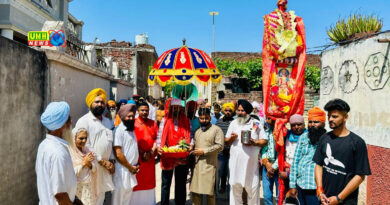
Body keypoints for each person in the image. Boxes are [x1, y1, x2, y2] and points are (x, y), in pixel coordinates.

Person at [313, 99, 371, 205]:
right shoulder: (324, 138)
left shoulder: (357, 143)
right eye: (329, 116)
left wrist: (339, 198)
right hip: (324, 199)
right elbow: (318, 165)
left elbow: (360, 176)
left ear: (345, 117)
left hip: (346, 201)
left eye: (334, 116)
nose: (330, 119)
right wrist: (320, 191)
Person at [75, 88, 115, 205]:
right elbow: (85, 146)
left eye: (102, 102)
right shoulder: (84, 121)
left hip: (106, 168)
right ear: (90, 104)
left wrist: (111, 162)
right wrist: (102, 161)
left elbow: (110, 143)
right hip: (91, 167)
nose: (99, 104)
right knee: (90, 199)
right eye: (96, 102)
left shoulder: (108, 122)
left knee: (101, 197)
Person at [36, 101, 80, 205]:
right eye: (69, 120)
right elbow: (60, 195)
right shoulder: (58, 153)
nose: (71, 123)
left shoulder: (45, 144)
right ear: (61, 126)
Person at [226, 99, 268, 205]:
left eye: (242, 111)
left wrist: (255, 142)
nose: (240, 113)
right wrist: (231, 138)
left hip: (251, 164)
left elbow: (264, 141)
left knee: (252, 187)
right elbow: (226, 141)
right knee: (235, 185)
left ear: (248, 112)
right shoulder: (233, 123)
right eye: (238, 110)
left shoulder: (256, 124)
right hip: (235, 163)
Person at [288, 107, 327, 204]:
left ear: (323, 123)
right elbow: (295, 161)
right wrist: (292, 185)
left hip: (316, 187)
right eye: (310, 122)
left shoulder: (327, 140)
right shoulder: (303, 137)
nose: (312, 125)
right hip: (300, 185)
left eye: (316, 122)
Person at [157, 98, 191, 205]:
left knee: (180, 183)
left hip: (181, 154)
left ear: (181, 108)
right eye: (174, 107)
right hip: (167, 154)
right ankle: (164, 203)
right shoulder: (165, 120)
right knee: (166, 183)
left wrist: (190, 145)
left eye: (178, 107)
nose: (176, 109)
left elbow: (190, 134)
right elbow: (160, 135)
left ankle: (180, 203)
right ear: (170, 108)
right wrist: (159, 146)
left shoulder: (186, 120)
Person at [190, 108, 224, 205]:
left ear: (210, 117)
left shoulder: (217, 130)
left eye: (206, 118)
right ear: (198, 119)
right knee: (196, 193)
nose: (204, 120)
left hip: (210, 166)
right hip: (197, 167)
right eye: (201, 118)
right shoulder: (197, 131)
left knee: (210, 194)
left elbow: (220, 146)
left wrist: (204, 151)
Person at [111, 104, 140, 205]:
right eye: (129, 116)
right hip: (122, 171)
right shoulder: (118, 130)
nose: (131, 118)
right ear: (123, 117)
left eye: (133, 116)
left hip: (130, 171)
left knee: (126, 201)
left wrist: (136, 165)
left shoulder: (131, 130)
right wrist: (130, 167)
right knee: (118, 201)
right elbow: (118, 154)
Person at [131, 102, 158, 205]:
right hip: (138, 158)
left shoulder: (153, 123)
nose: (144, 112)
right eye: (142, 110)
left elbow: (156, 139)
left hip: (150, 158)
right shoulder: (133, 123)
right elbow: (131, 139)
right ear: (138, 111)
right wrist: (141, 152)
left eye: (146, 110)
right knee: (137, 182)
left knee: (149, 182)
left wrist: (151, 151)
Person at [69, 128, 98, 205]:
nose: (84, 141)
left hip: (88, 188)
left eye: (85, 138)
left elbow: (95, 170)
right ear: (73, 138)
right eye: (81, 138)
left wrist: (90, 164)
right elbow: (69, 174)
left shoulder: (87, 151)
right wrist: (84, 163)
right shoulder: (70, 153)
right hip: (76, 190)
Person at [278, 114, 307, 190]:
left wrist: (289, 173)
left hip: (300, 176)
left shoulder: (308, 138)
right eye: (293, 125)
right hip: (285, 171)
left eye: (299, 124)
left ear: (304, 124)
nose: (296, 127)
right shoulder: (287, 136)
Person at [215, 103, 235, 195]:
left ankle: (230, 197)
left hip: (232, 154)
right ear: (223, 110)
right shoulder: (218, 122)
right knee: (217, 175)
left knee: (231, 176)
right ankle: (214, 196)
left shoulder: (235, 122)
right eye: (226, 110)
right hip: (220, 154)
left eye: (230, 110)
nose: (227, 112)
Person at [261, 116, 279, 205]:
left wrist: (274, 166)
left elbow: (282, 153)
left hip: (279, 167)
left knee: (280, 195)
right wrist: (267, 164)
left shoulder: (282, 134)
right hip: (266, 166)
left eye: (269, 118)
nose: (267, 121)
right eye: (266, 118)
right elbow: (264, 150)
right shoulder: (265, 133)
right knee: (267, 195)